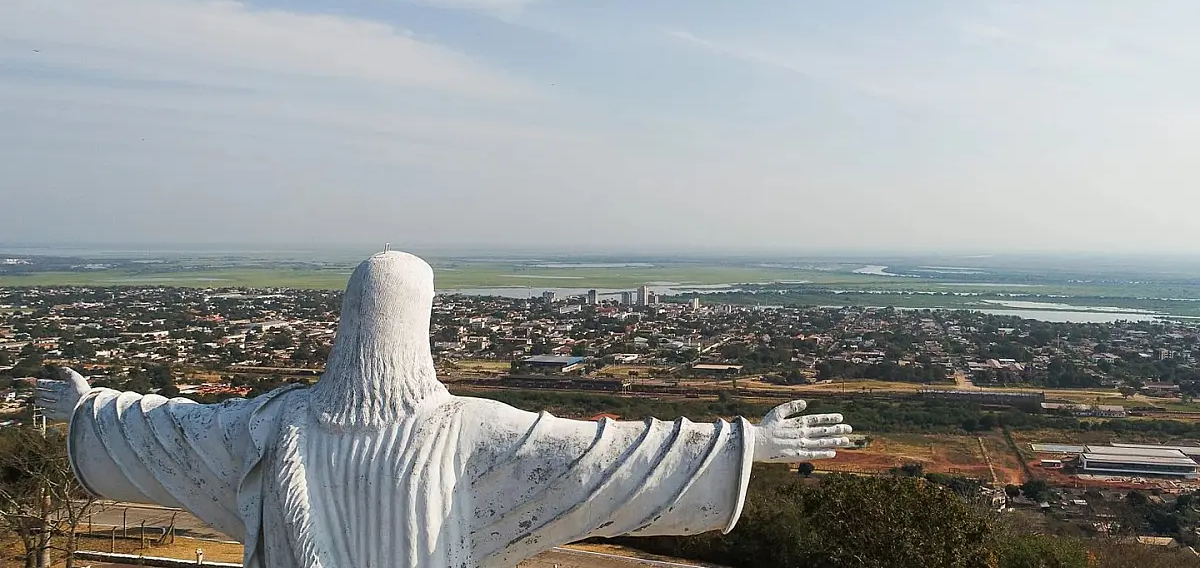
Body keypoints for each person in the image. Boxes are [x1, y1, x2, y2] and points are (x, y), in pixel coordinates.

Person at [37, 251, 852, 568]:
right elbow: (608, 459)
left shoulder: (269, 424)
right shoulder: (472, 431)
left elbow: (164, 432)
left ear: (347, 323)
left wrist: (90, 407)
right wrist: (745, 442)